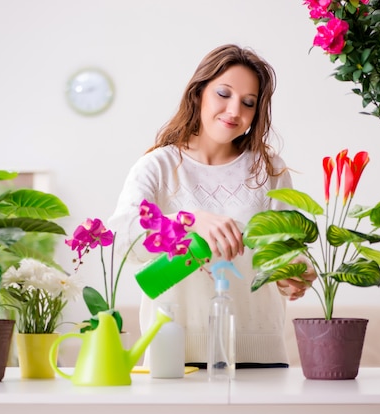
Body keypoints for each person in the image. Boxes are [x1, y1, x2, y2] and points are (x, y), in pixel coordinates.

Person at [107, 44, 316, 368]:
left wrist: (294, 275)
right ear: (199, 92)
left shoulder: (268, 169)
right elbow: (119, 240)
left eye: (248, 103)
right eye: (223, 93)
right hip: (173, 356)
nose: (234, 110)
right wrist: (188, 220)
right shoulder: (158, 167)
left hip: (258, 354)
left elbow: (288, 251)